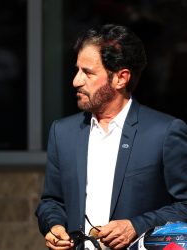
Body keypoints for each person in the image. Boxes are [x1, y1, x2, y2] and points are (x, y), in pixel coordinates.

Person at [35, 23, 187, 250]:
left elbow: (184, 205)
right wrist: (54, 226)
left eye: (87, 72)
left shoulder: (164, 132)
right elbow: (51, 202)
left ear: (120, 78)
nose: (76, 81)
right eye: (77, 70)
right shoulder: (62, 132)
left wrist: (135, 226)